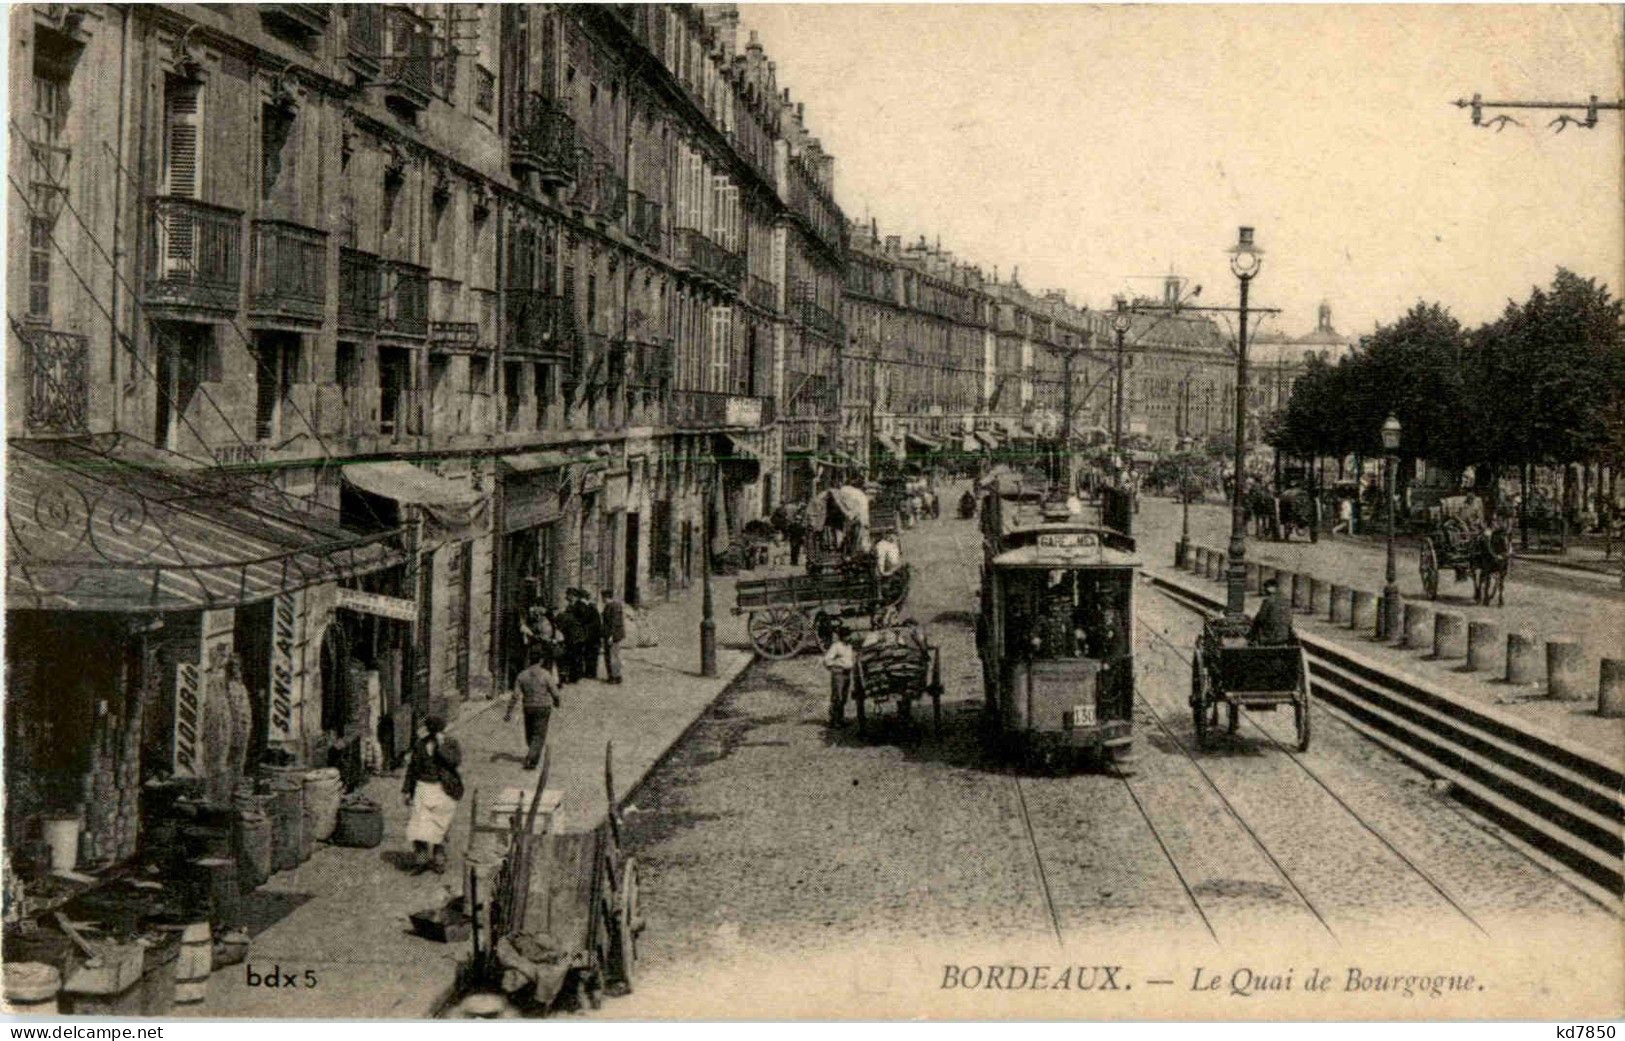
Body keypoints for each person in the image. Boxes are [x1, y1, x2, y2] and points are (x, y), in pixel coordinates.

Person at [402, 714, 462, 874]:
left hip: (442, 788)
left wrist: (441, 746)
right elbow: (413, 769)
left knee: (439, 824)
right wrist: (407, 790)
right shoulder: (420, 744)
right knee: (418, 825)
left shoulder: (450, 743)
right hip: (422, 787)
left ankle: (439, 858)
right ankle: (421, 859)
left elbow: (454, 761)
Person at [506, 647, 560, 770]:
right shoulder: (546, 674)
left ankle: (533, 758)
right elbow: (555, 693)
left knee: (530, 735)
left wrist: (509, 712)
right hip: (543, 707)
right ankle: (531, 757)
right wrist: (557, 702)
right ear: (541, 660)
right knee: (539, 735)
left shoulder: (522, 675)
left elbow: (515, 695)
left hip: (528, 707)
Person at [823, 624, 855, 725]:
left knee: (844, 697)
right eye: (847, 635)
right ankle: (834, 720)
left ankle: (840, 718)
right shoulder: (836, 646)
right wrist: (836, 666)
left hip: (847, 674)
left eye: (849, 635)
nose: (849, 637)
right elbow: (827, 660)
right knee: (837, 697)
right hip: (839, 674)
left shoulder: (849, 646)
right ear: (842, 636)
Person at [1248, 577, 1294, 646]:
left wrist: (1251, 634)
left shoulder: (1268, 601)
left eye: (1265, 588)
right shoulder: (1287, 601)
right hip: (1284, 637)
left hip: (1269, 638)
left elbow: (1260, 619)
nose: (1265, 591)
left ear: (1270, 588)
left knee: (1255, 629)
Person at [555, 592, 584, 684]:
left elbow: (562, 625)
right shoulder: (569, 610)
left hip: (574, 636)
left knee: (574, 656)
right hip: (574, 636)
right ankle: (574, 676)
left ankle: (574, 677)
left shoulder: (578, 607)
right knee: (574, 656)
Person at [575, 587, 604, 681]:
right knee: (591, 655)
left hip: (591, 635)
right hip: (594, 635)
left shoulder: (589, 608)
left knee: (590, 654)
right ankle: (591, 672)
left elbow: (585, 621)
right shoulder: (592, 608)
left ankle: (590, 673)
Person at [600, 587, 626, 685]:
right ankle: (613, 676)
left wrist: (611, 636)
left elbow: (615, 622)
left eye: (603, 597)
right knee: (611, 656)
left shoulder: (614, 606)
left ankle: (614, 677)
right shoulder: (609, 606)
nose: (602, 599)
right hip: (610, 635)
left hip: (613, 636)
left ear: (606, 597)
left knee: (612, 656)